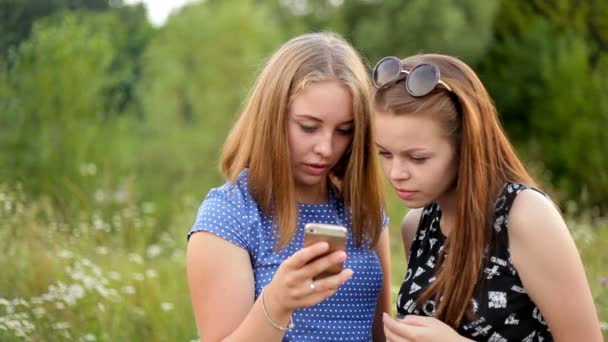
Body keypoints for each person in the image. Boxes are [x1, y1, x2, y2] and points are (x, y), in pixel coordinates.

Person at [371, 53, 602, 341]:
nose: (396, 172)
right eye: (385, 153)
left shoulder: (524, 216)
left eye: (417, 158)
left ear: (466, 145)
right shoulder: (416, 225)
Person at [186, 32, 391, 342]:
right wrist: (277, 303)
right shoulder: (230, 215)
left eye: (344, 131)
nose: (325, 147)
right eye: (308, 127)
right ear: (272, 116)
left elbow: (381, 334)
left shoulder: (362, 208)